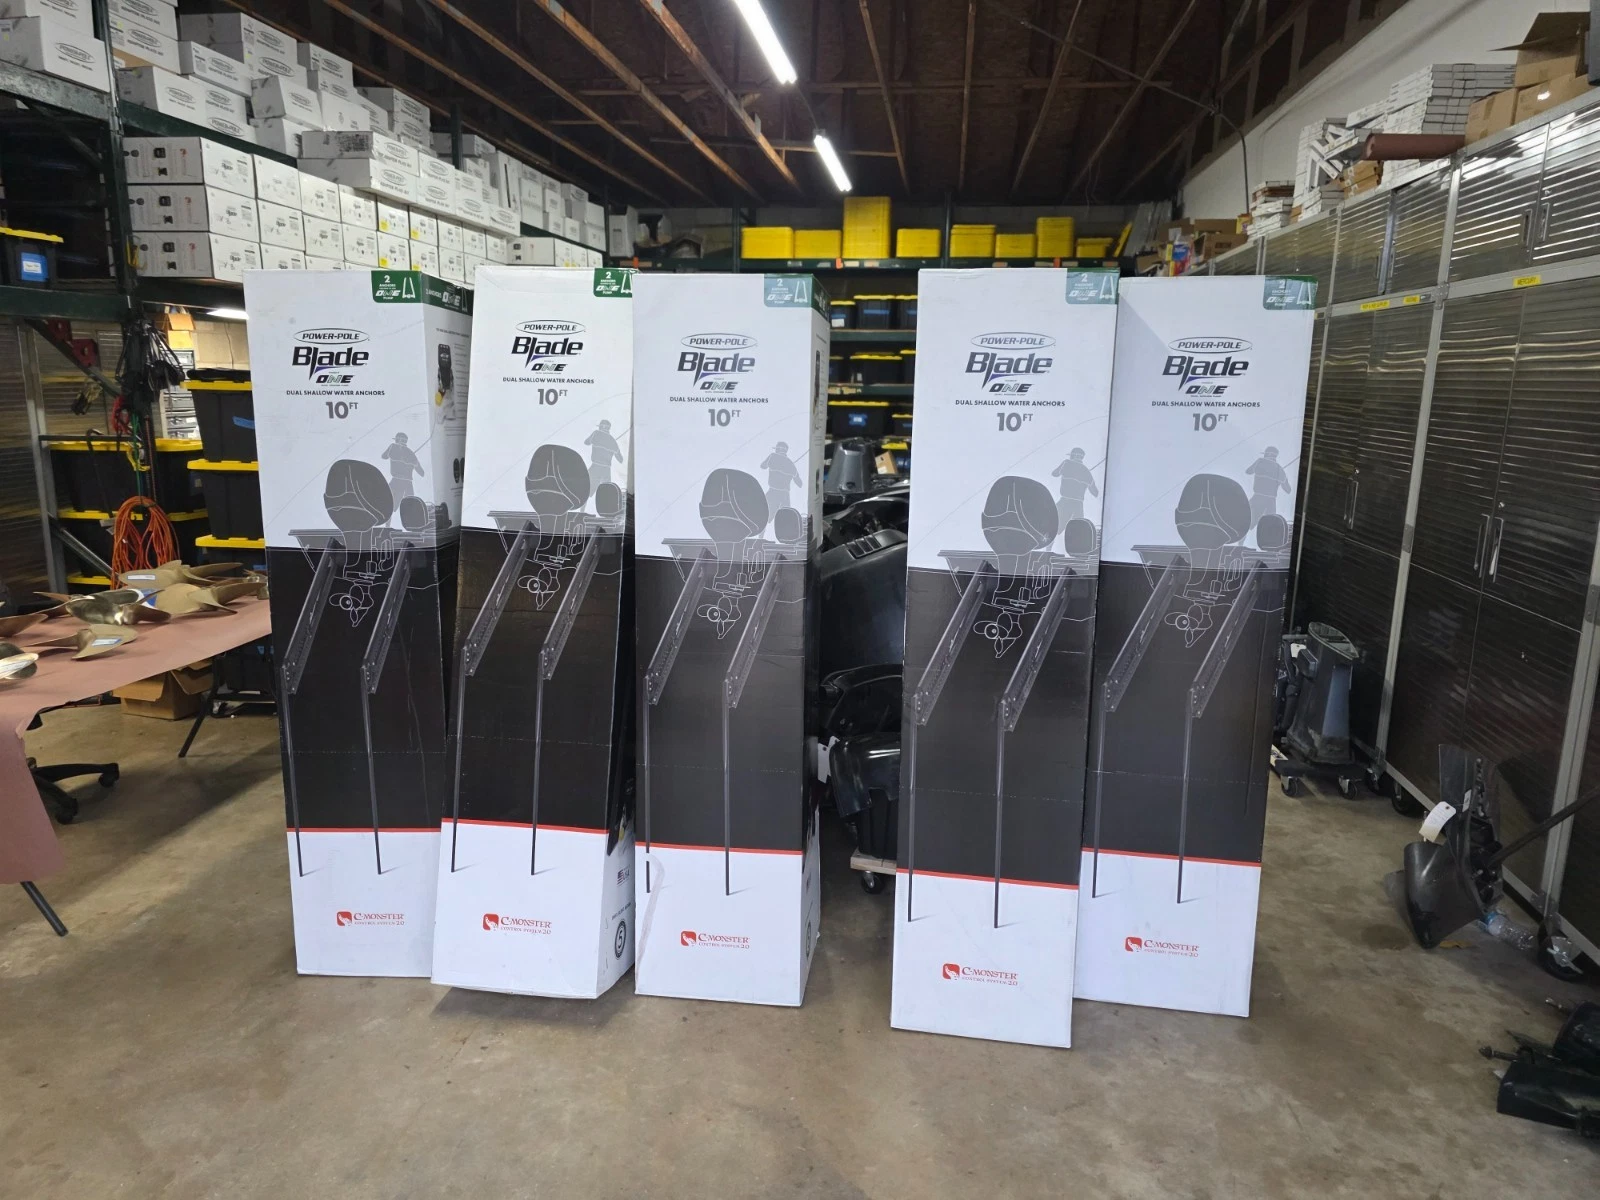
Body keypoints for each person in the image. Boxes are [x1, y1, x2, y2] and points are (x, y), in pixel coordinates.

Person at [1051, 448, 1100, 533]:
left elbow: (1054, 473)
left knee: (1053, 526)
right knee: (1077, 531)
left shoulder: (1066, 463)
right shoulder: (1086, 471)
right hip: (1078, 506)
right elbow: (1095, 492)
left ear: (1073, 455)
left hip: (1065, 502)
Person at [1245, 446, 1291, 529]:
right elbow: (1288, 490)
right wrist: (1279, 478)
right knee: (1269, 526)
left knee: (1246, 521)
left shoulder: (1260, 462)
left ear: (1267, 454)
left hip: (1258, 498)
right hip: (1271, 502)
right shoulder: (1279, 469)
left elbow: (1248, 471)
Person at [760, 442, 802, 522]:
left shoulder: (772, 456)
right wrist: (790, 470)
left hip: (773, 492)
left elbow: (763, 466)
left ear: (778, 449)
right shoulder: (791, 464)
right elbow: (799, 483)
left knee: (763, 516)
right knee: (785, 520)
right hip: (785, 495)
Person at [382, 431, 424, 503]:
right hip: (407, 483)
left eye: (396, 440)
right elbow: (421, 473)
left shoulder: (393, 447)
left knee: (388, 502)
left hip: (397, 482)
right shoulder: (410, 453)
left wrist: (411, 461)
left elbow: (384, 456)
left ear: (398, 440)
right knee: (408, 504)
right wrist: (412, 461)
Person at [584, 419, 624, 493]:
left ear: (601, 427)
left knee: (586, 489)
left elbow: (586, 442)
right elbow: (620, 459)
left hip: (595, 467)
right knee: (606, 492)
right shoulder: (613, 440)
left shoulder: (596, 433)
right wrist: (611, 446)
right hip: (606, 471)